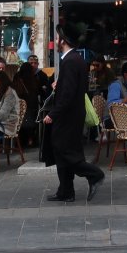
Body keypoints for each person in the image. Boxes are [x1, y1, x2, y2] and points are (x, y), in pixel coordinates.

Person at [42, 24, 105, 203]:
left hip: (67, 116)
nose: (55, 40)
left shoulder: (70, 61)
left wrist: (53, 114)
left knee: (66, 152)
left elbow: (68, 94)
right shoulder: (76, 59)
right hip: (73, 115)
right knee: (63, 152)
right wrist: (59, 85)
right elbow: (75, 88)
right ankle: (66, 191)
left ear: (63, 40)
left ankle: (95, 174)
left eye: (57, 37)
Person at [12, 61, 41, 147]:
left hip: (18, 108)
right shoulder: (33, 80)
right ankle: (31, 140)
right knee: (30, 124)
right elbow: (38, 92)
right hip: (31, 108)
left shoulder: (17, 78)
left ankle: (19, 142)